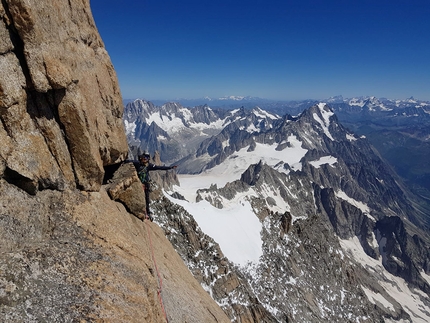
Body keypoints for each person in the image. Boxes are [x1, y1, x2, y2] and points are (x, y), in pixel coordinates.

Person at [131, 153, 177, 221]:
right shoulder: (137, 163)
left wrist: (170, 167)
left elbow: (160, 167)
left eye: (146, 158)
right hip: (138, 184)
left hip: (146, 184)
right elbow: (128, 161)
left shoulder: (149, 166)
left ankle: (147, 212)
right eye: (143, 158)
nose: (144, 159)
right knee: (138, 196)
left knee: (146, 198)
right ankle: (140, 210)